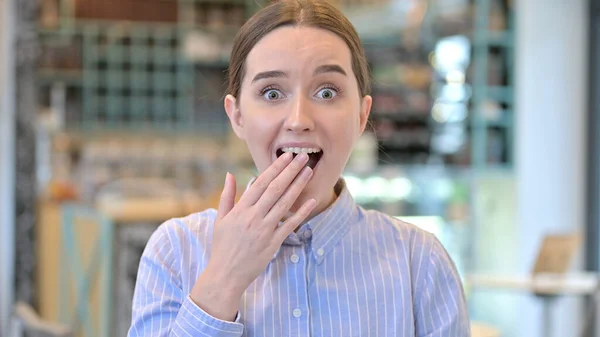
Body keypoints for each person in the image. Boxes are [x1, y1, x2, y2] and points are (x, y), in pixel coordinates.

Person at [128, 0, 470, 336]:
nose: (299, 120)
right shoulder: (175, 250)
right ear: (238, 116)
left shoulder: (420, 263)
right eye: (272, 93)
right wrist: (224, 279)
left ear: (362, 116)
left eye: (326, 92)